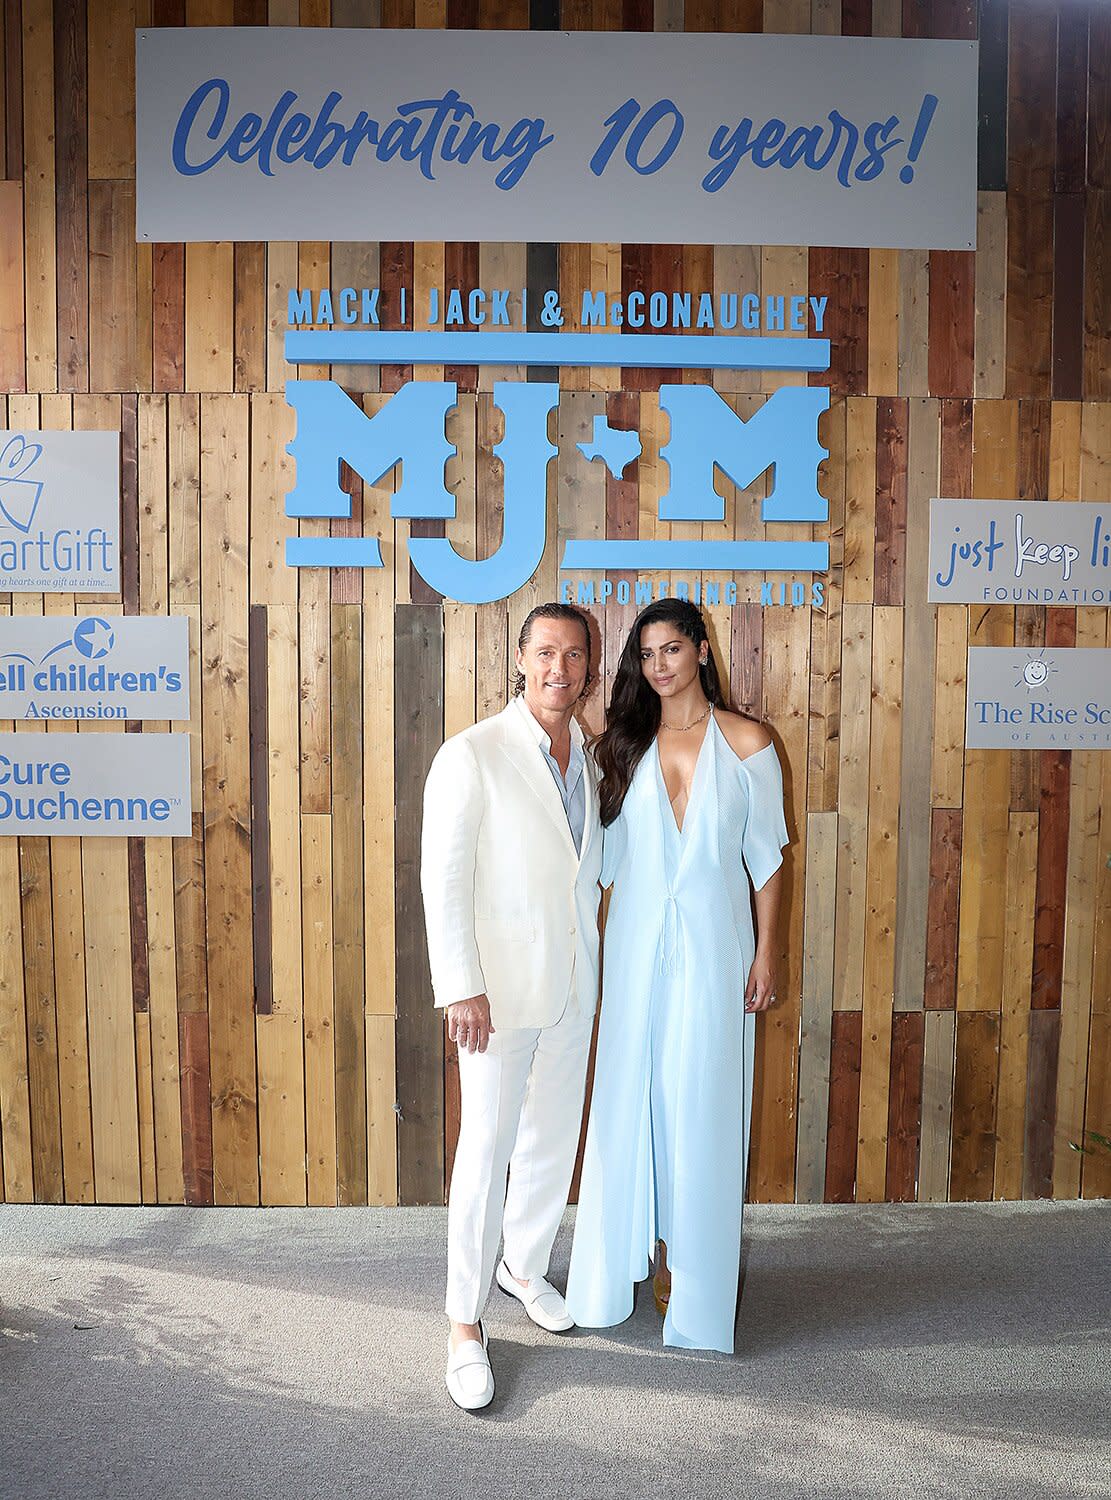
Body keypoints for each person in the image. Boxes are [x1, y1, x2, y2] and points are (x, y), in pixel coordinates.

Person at [565, 597, 788, 1354]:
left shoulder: (750, 741)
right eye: (645, 656)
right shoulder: (619, 746)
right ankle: (611, 1269)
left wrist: (765, 951)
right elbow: (597, 867)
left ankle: (689, 1288)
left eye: (670, 650)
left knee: (702, 1105)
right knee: (626, 1098)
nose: (658, 667)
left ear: (699, 649)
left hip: (715, 946)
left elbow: (766, 859)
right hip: (633, 946)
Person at [421, 602, 602, 1410]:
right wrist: (459, 983)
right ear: (519, 658)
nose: (558, 668)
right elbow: (444, 878)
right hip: (493, 993)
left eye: (573, 655)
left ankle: (522, 1264)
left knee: (551, 1138)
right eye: (545, 652)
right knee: (485, 1149)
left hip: (570, 983)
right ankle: (464, 1323)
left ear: (588, 666)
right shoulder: (473, 753)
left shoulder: (588, 756)